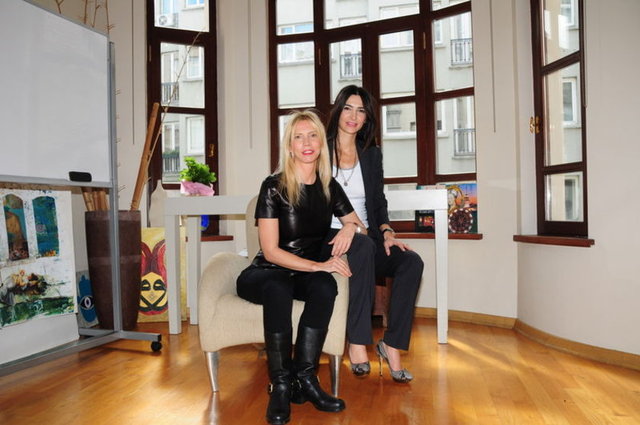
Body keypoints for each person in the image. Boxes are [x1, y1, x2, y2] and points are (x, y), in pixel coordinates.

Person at [237, 110, 365, 425]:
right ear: (290, 146)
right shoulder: (273, 186)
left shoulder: (328, 186)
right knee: (279, 286)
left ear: (321, 142)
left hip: (302, 273)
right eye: (298, 137)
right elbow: (271, 251)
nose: (306, 143)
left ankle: (306, 379)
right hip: (266, 271)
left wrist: (349, 227)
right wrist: (317, 265)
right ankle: (281, 384)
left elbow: (359, 224)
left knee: (326, 286)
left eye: (312, 136)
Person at [322, 85, 424, 383]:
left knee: (410, 262)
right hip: (330, 238)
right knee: (364, 245)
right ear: (338, 110)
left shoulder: (371, 154)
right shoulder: (320, 149)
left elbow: (377, 201)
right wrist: (350, 227)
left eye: (361, 111)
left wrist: (388, 232)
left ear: (367, 118)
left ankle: (391, 344)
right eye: (348, 108)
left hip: (366, 236)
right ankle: (357, 341)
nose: (353, 116)